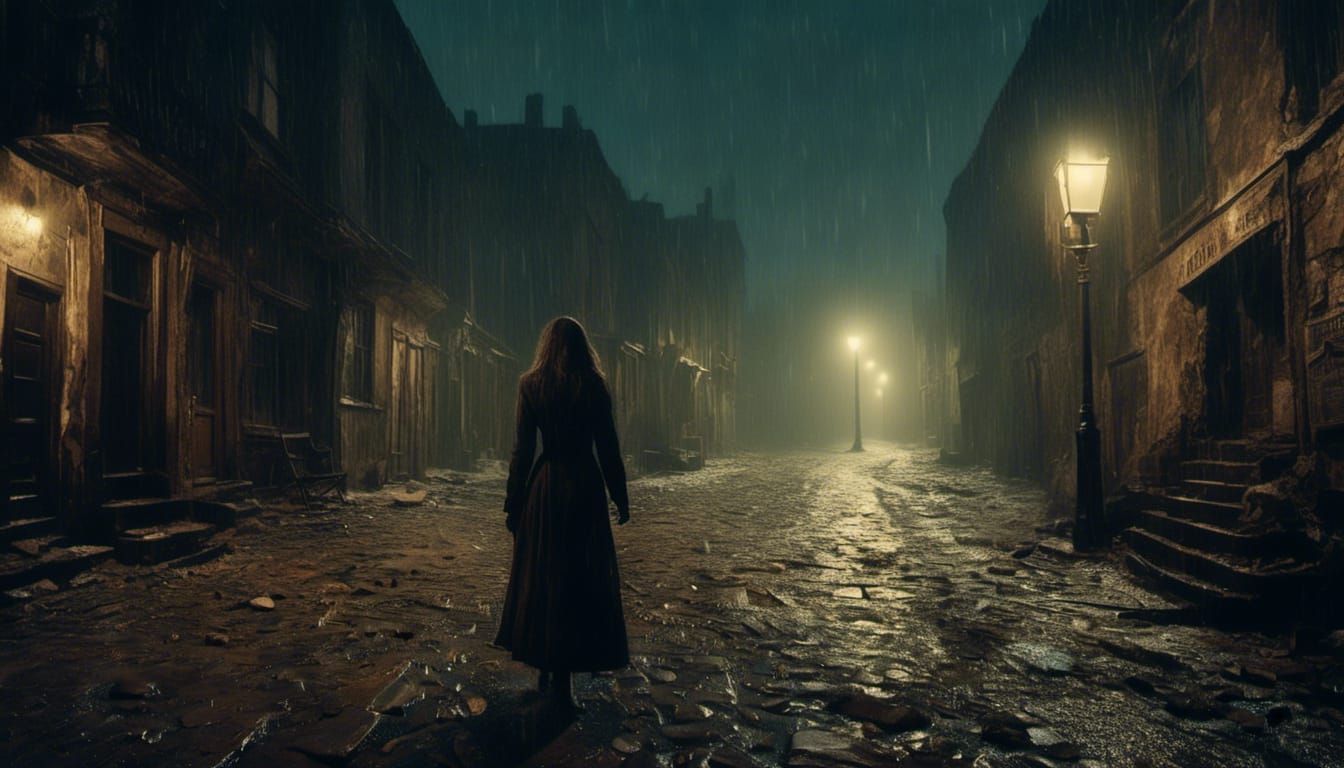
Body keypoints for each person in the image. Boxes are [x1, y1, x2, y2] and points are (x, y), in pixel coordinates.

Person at [495, 316, 631, 710]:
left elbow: (522, 451)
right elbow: (607, 447)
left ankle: (544, 666)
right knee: (576, 577)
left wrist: (514, 500)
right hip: (583, 487)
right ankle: (566, 679)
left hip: (547, 486)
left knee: (545, 576)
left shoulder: (531, 385)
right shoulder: (593, 386)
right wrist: (619, 496)